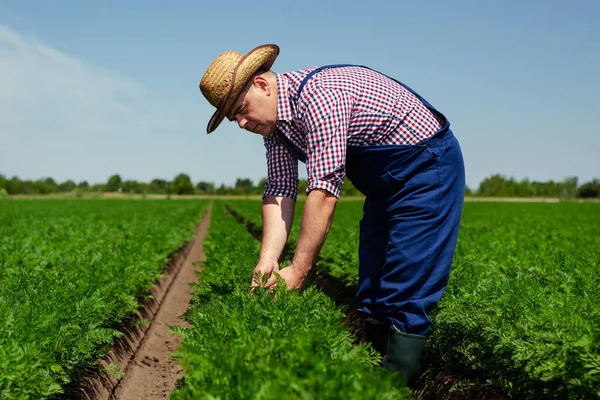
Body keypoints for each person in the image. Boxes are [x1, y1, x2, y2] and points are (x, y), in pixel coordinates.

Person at [199, 44, 465, 388]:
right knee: (370, 288)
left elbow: (323, 190)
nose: (241, 123)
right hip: (384, 185)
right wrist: (268, 258)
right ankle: (370, 381)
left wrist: (299, 268)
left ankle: (394, 389)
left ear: (263, 85)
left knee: (404, 287)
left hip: (426, 169)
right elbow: (281, 189)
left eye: (242, 110)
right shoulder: (277, 129)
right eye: (234, 117)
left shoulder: (321, 97)